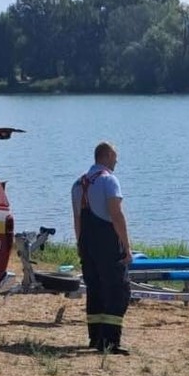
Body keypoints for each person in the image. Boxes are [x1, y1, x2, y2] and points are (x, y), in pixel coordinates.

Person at [72, 142, 132, 353]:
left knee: (95, 289)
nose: (117, 161)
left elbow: (77, 219)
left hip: (86, 242)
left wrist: (80, 244)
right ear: (105, 156)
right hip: (107, 243)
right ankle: (110, 341)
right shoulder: (109, 180)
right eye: (115, 156)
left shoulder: (78, 184)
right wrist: (127, 246)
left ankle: (95, 337)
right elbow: (116, 215)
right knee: (118, 290)